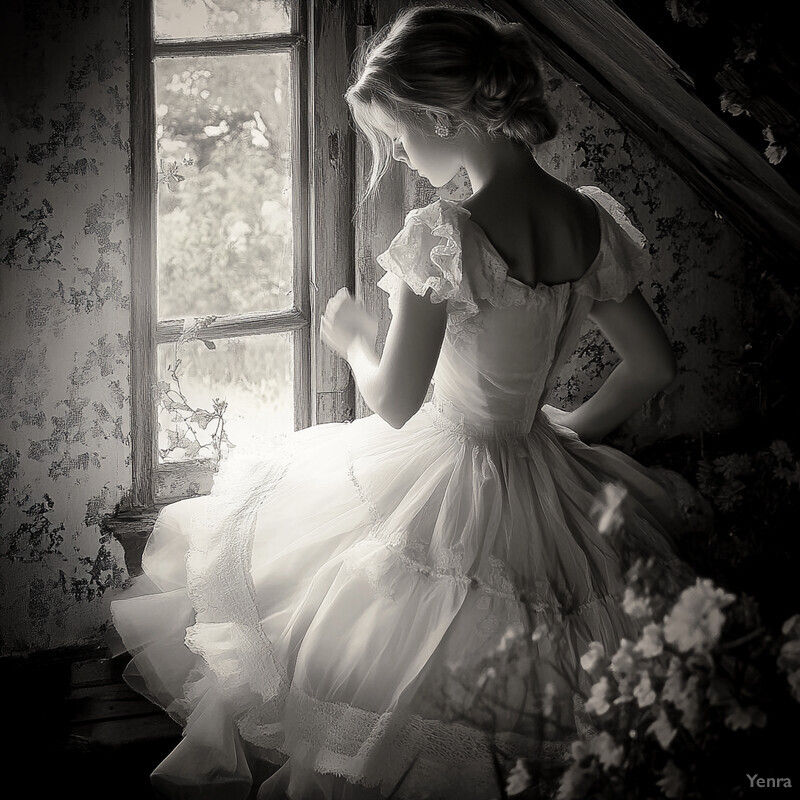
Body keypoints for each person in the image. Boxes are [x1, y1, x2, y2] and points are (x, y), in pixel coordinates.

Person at [110, 5, 698, 799]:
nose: (401, 156)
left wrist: (353, 337)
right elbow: (652, 365)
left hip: (444, 467)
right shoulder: (588, 220)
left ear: (439, 115)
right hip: (538, 464)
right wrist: (567, 427)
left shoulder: (445, 234)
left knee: (362, 641)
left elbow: (394, 402)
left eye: (398, 137)